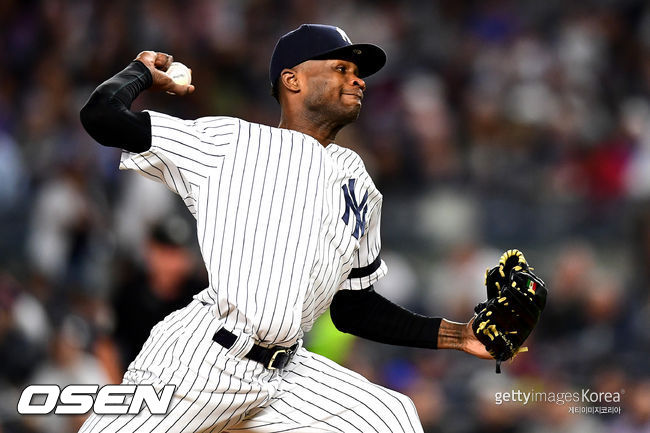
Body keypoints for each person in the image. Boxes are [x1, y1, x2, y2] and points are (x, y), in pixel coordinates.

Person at [79, 23, 490, 433]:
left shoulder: (357, 180)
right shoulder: (231, 142)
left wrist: (459, 336)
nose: (358, 80)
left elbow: (354, 308)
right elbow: (102, 116)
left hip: (285, 372)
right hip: (203, 360)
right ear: (293, 80)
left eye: (357, 72)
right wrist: (142, 72)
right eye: (341, 69)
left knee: (389, 417)